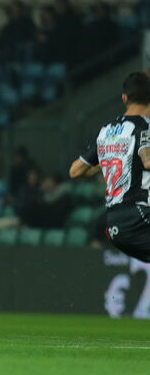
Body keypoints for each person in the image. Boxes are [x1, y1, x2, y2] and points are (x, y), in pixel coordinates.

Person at [69, 72, 150, 261]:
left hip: (114, 225)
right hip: (139, 217)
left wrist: (109, 159)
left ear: (124, 98)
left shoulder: (106, 131)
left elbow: (75, 171)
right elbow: (147, 160)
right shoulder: (146, 127)